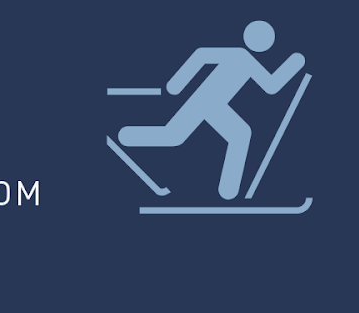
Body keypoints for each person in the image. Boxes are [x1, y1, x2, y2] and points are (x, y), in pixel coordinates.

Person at [117, 21, 305, 199]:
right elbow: (202, 55)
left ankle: (228, 190)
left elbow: (270, 87)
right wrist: (176, 84)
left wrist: (293, 64)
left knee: (237, 134)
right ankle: (127, 136)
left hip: (214, 104)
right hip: (205, 100)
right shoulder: (239, 55)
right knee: (174, 136)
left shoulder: (247, 61)